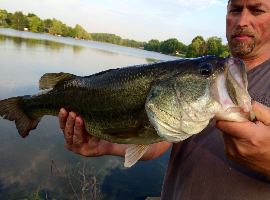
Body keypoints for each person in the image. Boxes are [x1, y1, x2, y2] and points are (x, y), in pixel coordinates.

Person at [58, 0, 270, 198]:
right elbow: (161, 141)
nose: (242, 21)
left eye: (257, 10)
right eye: (235, 10)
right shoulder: (200, 74)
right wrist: (108, 146)